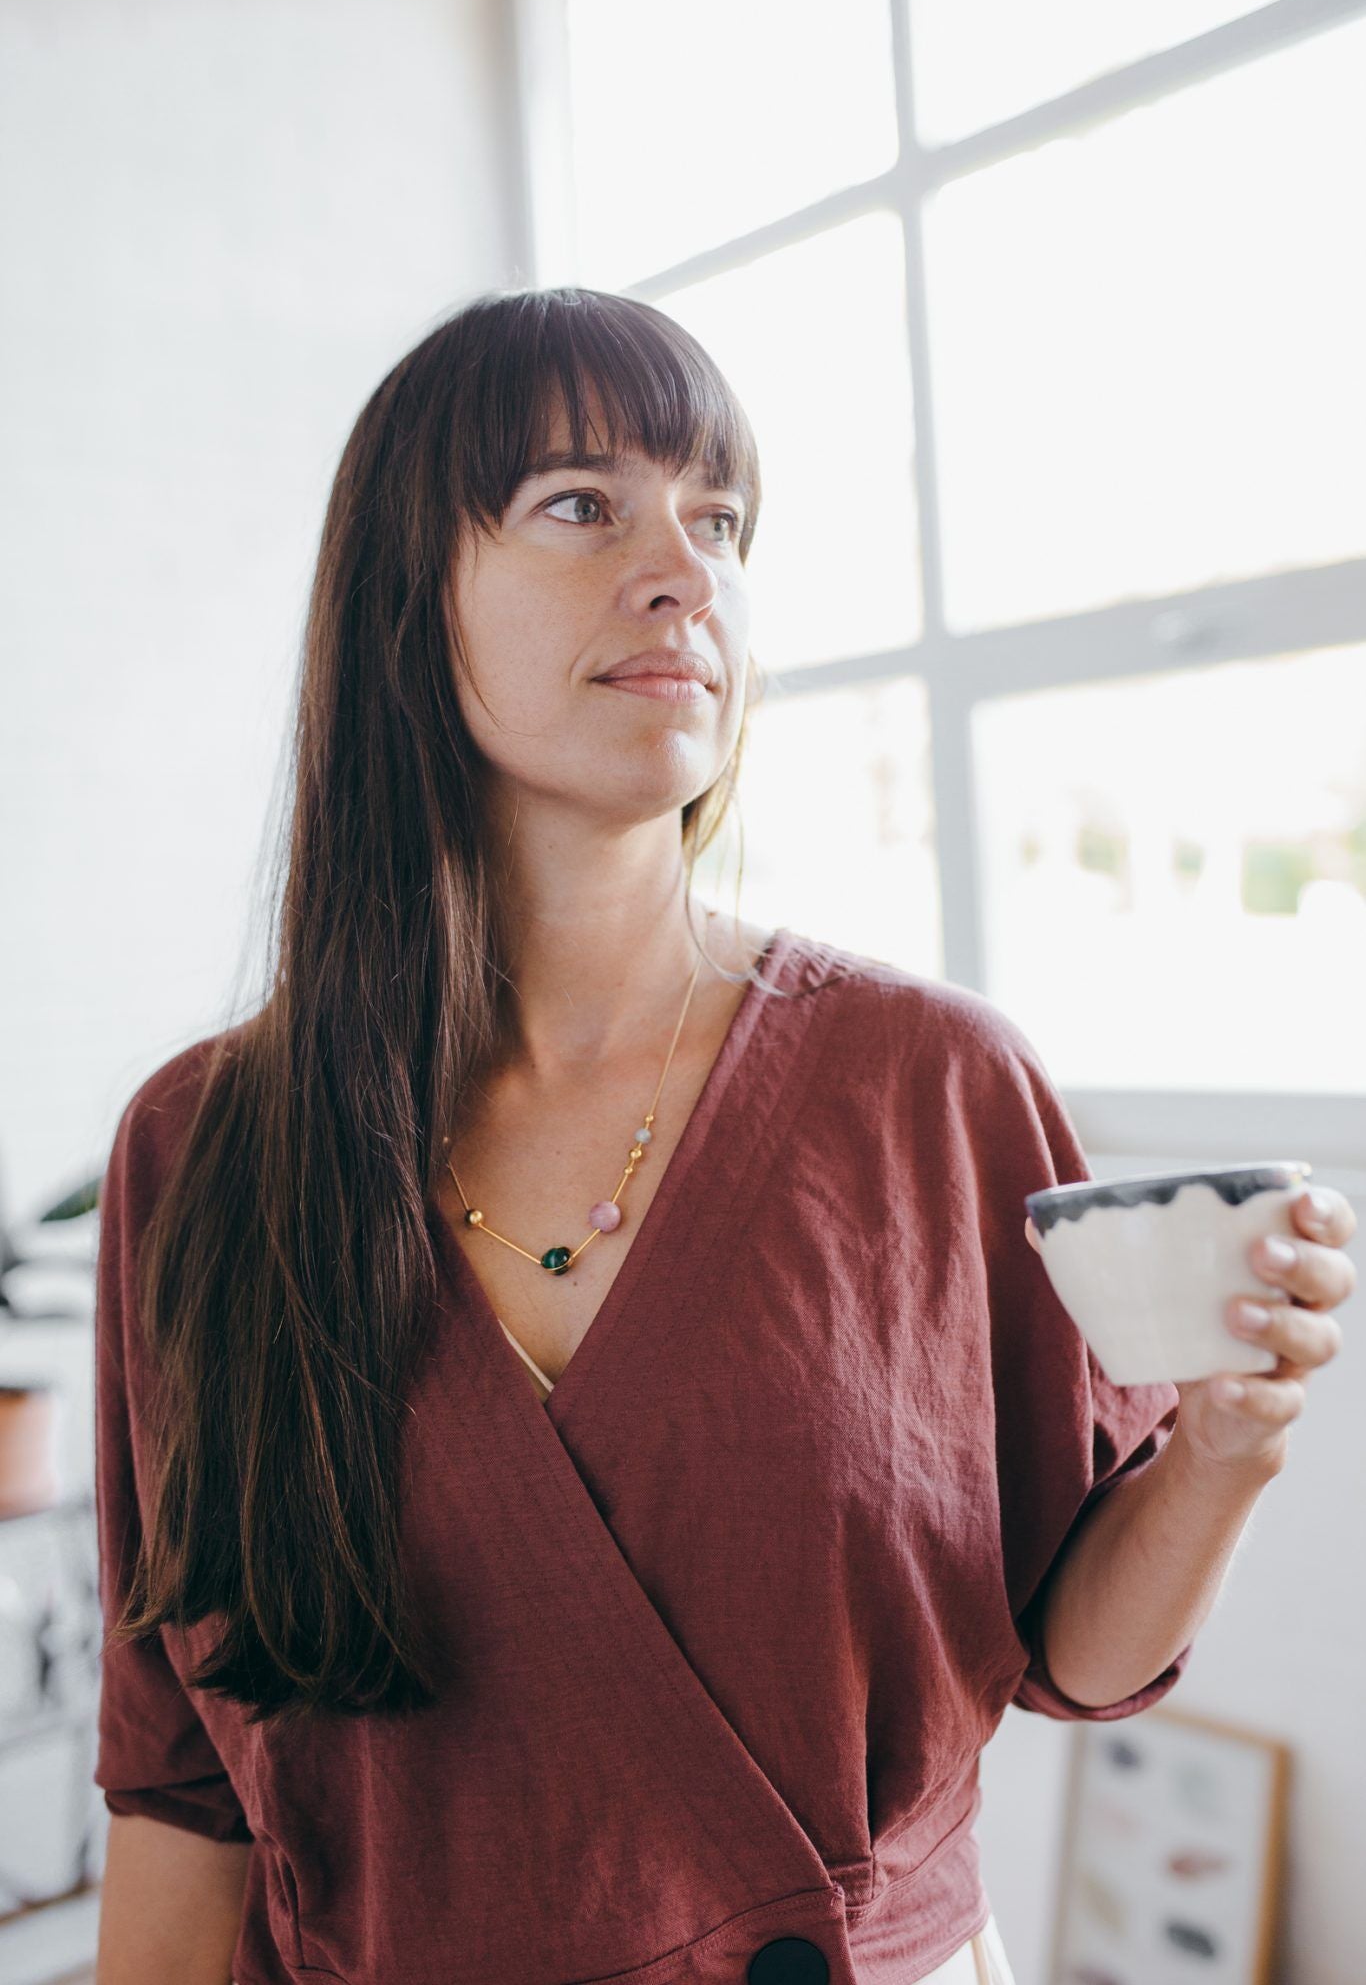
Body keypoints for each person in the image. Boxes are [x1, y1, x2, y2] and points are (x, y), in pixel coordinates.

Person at [92, 287, 1192, 1985]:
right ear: (408, 599)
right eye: (581, 505)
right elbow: (183, 1788)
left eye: (720, 519)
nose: (684, 570)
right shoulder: (207, 1148)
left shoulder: (935, 1084)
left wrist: (1243, 1438)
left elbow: (1076, 1652)